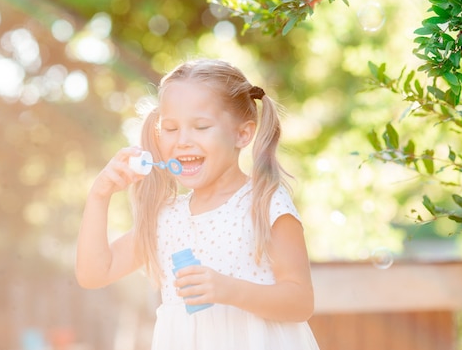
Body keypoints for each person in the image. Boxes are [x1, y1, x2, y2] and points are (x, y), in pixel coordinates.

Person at [75, 58, 319, 350]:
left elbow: (300, 301)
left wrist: (229, 290)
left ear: (242, 134)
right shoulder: (167, 218)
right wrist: (99, 195)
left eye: (201, 127)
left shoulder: (265, 203)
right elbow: (94, 273)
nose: (183, 141)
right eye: (170, 128)